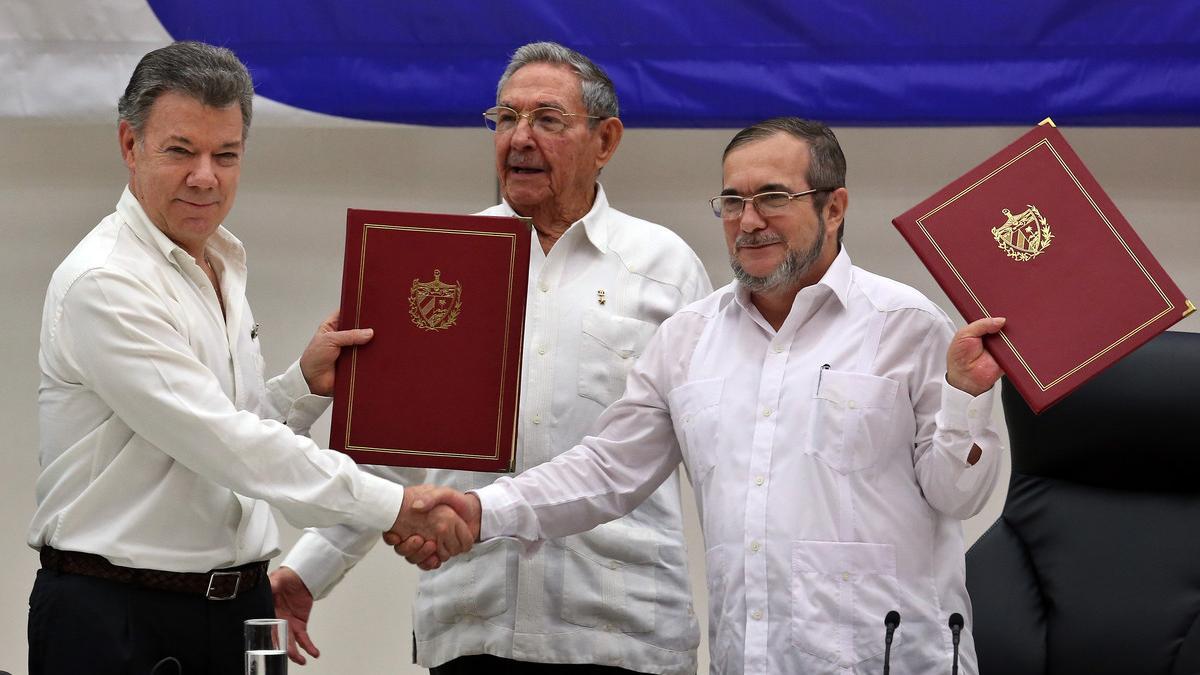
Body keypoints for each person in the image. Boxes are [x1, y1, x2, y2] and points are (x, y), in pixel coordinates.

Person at [407, 117, 1007, 674]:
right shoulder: (689, 339)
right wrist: (482, 511)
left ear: (834, 208)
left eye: (773, 197)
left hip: (893, 660)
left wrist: (968, 400)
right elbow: (606, 469)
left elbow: (961, 494)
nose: (749, 222)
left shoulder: (907, 325)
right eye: (733, 202)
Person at [27, 41, 470, 675]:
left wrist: (304, 386)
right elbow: (224, 443)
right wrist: (395, 507)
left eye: (226, 154)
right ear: (130, 145)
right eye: (181, 150)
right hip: (119, 616)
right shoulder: (107, 281)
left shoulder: (220, 259)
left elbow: (229, 436)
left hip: (244, 612)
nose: (205, 176)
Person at [271, 41, 711, 674]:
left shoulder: (665, 269)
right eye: (505, 118)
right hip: (473, 627)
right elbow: (401, 453)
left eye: (547, 120)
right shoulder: (444, 262)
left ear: (606, 141)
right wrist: (309, 571)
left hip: (623, 631)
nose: (519, 138)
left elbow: (713, 452)